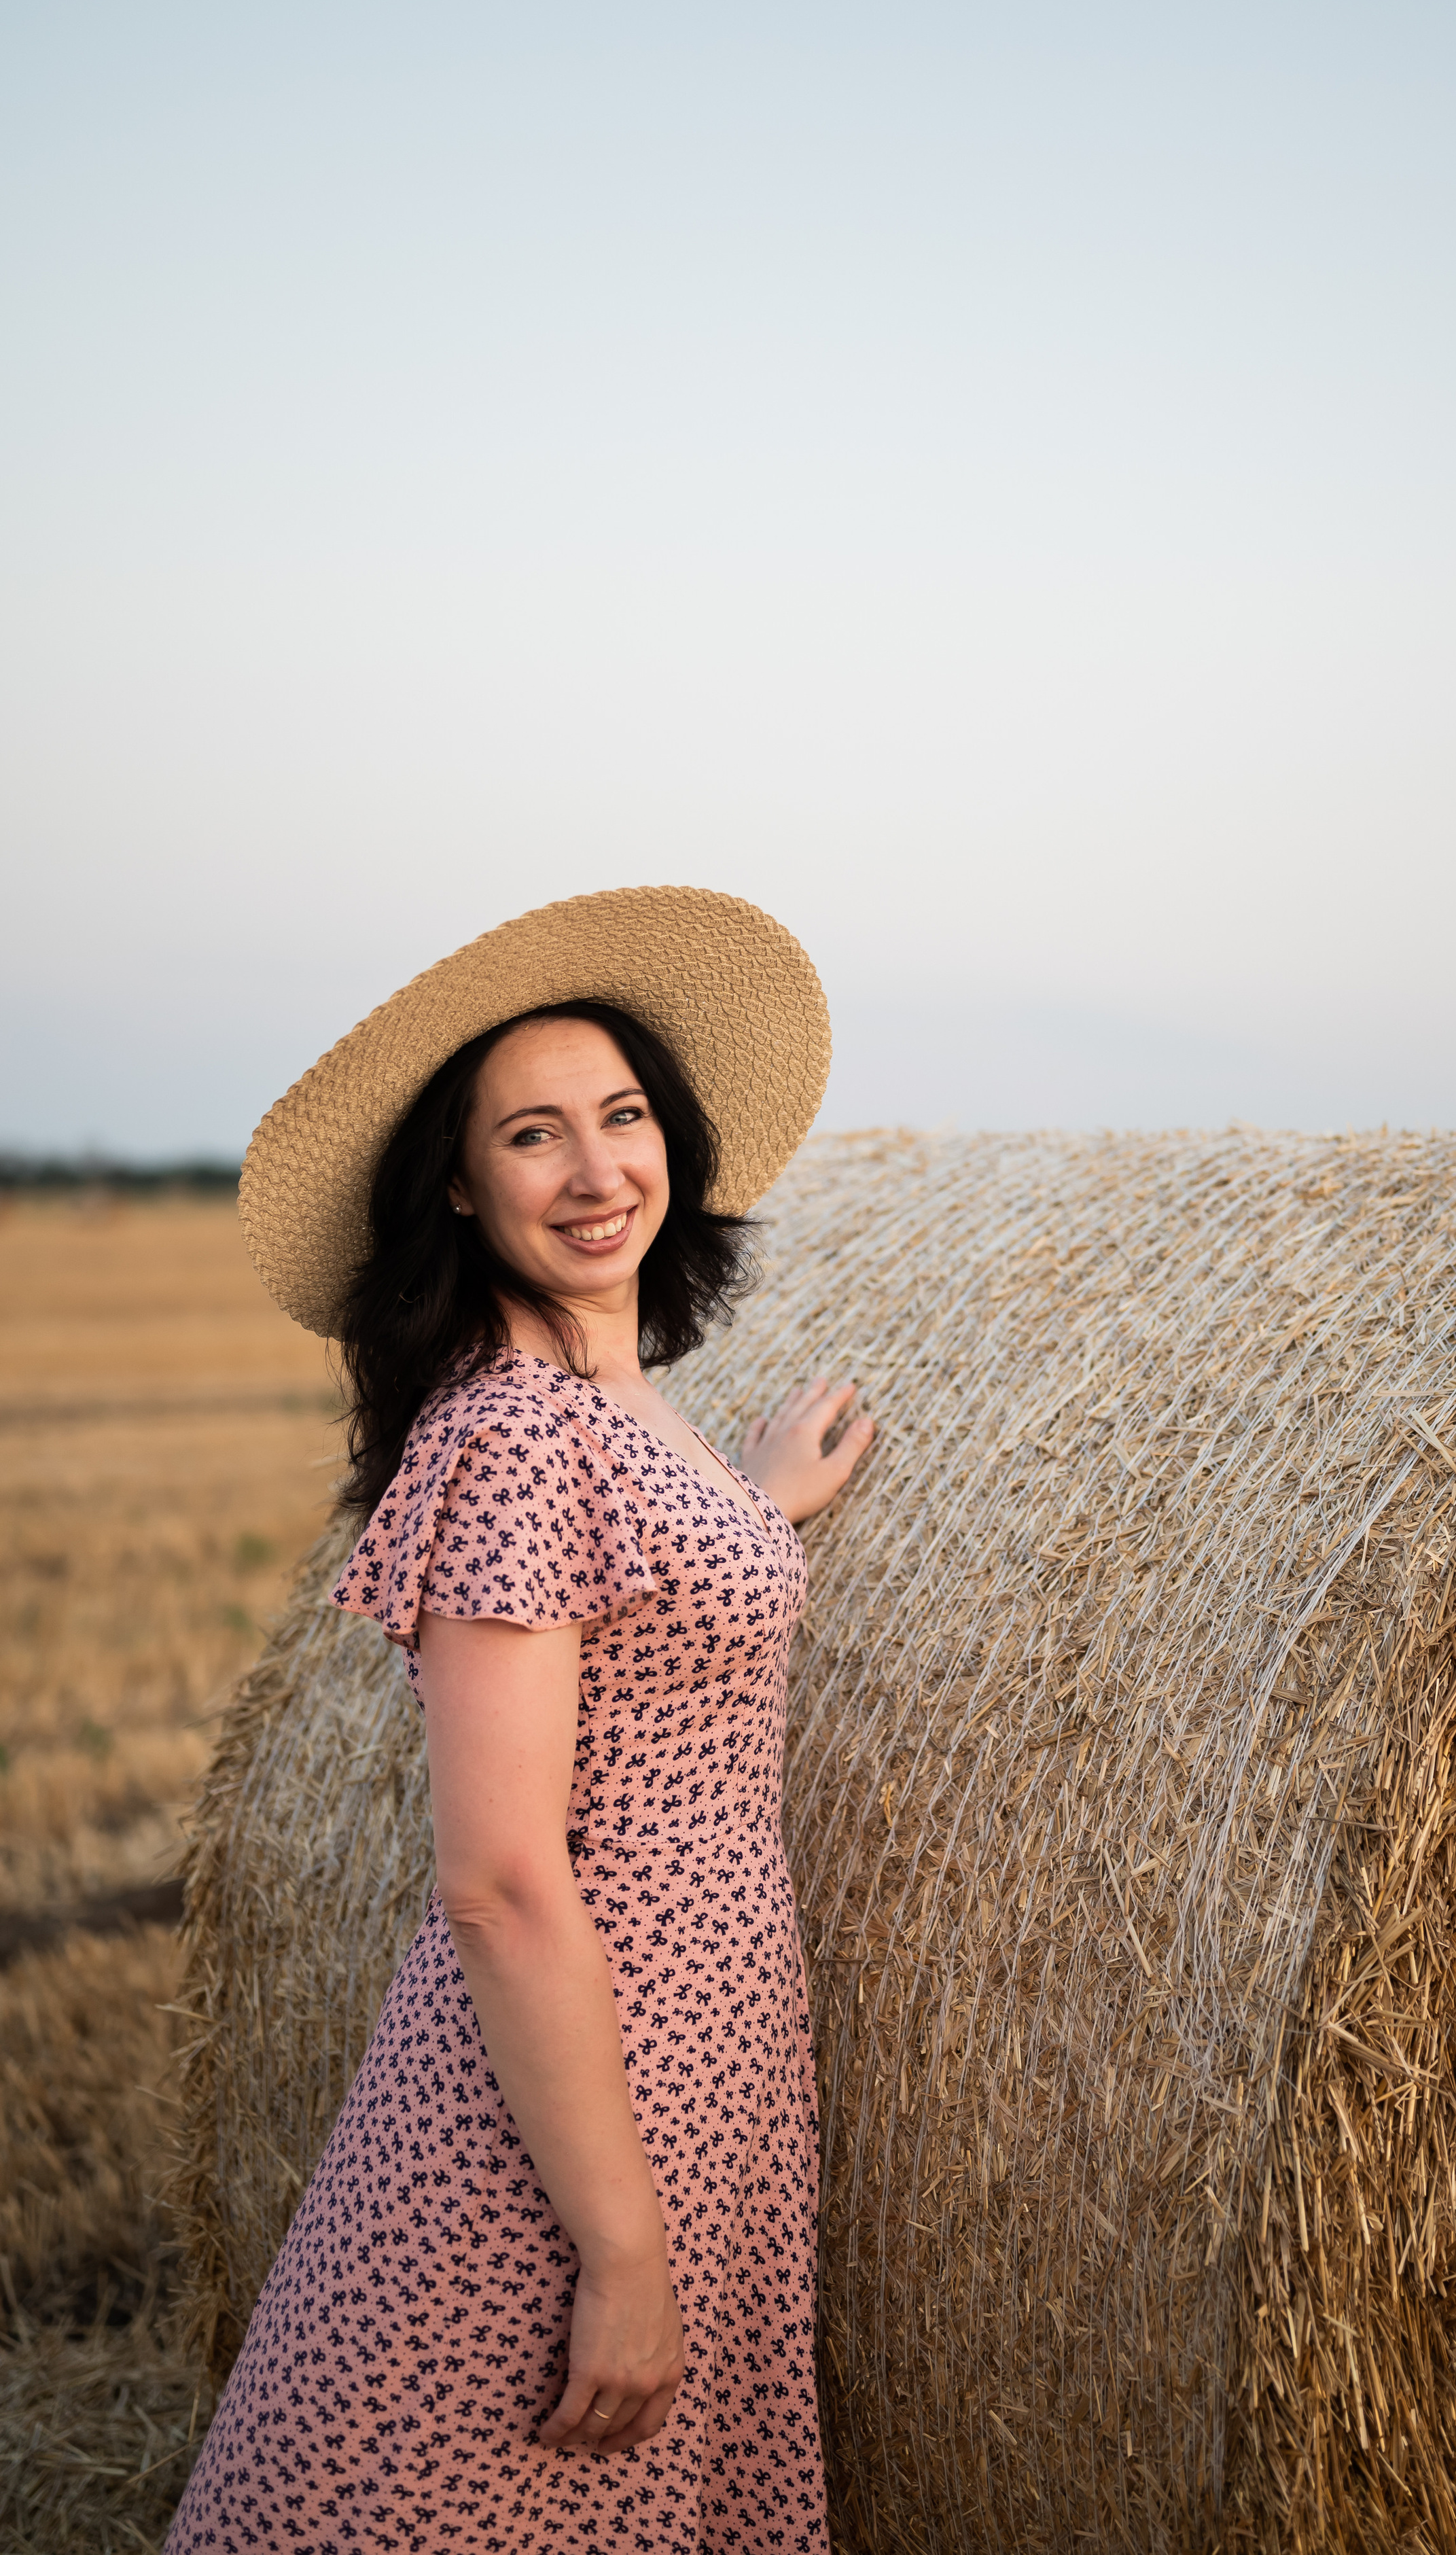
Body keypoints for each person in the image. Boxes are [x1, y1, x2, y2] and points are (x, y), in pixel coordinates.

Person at [167, 887, 872, 2555]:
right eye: (534, 1138)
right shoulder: (509, 1434)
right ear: (463, 1191)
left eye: (622, 1118)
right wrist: (618, 2250)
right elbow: (496, 1876)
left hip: (695, 2082)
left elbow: (644, 1622)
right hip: (558, 2136)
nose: (595, 1169)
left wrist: (757, 1513)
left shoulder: (609, 1410)